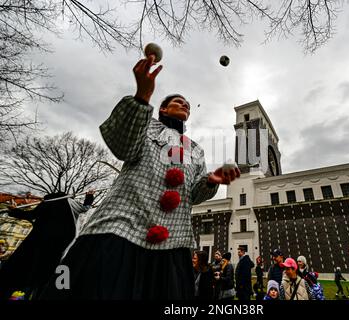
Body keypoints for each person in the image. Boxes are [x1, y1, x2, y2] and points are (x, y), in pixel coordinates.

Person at [38, 55, 240, 300]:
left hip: (173, 240)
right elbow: (122, 146)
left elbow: (193, 194)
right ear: (163, 108)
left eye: (188, 103)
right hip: (121, 226)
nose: (185, 104)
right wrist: (141, 97)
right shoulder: (146, 125)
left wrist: (211, 181)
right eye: (178, 101)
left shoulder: (194, 149)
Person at [0, 191, 94, 300]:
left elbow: (30, 215)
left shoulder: (46, 203)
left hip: (36, 241)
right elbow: (85, 208)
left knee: (21, 268)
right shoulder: (70, 203)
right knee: (46, 274)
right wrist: (89, 196)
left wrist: (14, 210)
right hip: (58, 245)